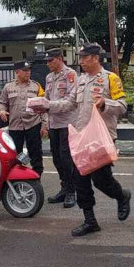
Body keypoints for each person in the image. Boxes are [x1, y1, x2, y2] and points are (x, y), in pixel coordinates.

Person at [44, 43, 131, 237]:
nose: (81, 61)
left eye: (84, 58)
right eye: (80, 58)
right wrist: (47, 105)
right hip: (82, 136)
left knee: (101, 180)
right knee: (79, 179)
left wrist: (104, 103)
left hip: (102, 137)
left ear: (95, 58)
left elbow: (123, 105)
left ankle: (122, 195)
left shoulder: (110, 79)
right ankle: (90, 220)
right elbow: (69, 103)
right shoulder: (81, 80)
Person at [0, 60, 48, 177]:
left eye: (29, 70)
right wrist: (1, 111)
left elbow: (44, 107)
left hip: (33, 124)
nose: (28, 73)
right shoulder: (8, 87)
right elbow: (1, 102)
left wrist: (45, 125)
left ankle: (36, 177)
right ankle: (19, 176)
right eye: (24, 71)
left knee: (35, 153)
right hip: (15, 125)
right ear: (17, 72)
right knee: (16, 154)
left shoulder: (36, 86)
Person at [43, 48, 78, 208]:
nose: (48, 63)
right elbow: (46, 99)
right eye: (47, 61)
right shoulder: (49, 77)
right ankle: (64, 188)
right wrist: (41, 109)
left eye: (51, 60)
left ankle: (72, 191)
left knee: (66, 158)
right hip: (53, 123)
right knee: (56, 158)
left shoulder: (70, 75)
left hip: (67, 123)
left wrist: (49, 106)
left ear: (59, 59)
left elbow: (71, 101)